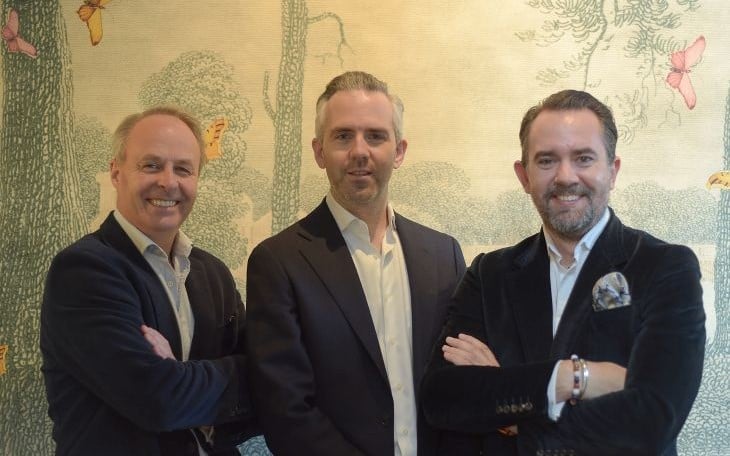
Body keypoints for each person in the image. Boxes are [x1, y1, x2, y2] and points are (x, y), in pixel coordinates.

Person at [421, 90, 706, 455]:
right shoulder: (490, 274)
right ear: (524, 176)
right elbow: (442, 399)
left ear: (612, 170)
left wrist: (509, 409)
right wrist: (571, 378)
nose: (565, 176)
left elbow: (652, 420)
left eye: (583, 158)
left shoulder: (666, 268)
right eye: (546, 160)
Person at [246, 71, 465, 456]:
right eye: (343, 136)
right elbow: (285, 410)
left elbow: (458, 385)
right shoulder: (278, 262)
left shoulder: (443, 255)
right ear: (319, 152)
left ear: (399, 151)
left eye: (376, 136)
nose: (360, 151)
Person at [41, 106, 256, 455]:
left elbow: (274, 382)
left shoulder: (214, 274)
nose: (168, 182)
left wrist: (181, 377)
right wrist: (226, 379)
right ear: (116, 172)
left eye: (183, 169)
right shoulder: (83, 271)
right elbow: (159, 401)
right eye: (151, 165)